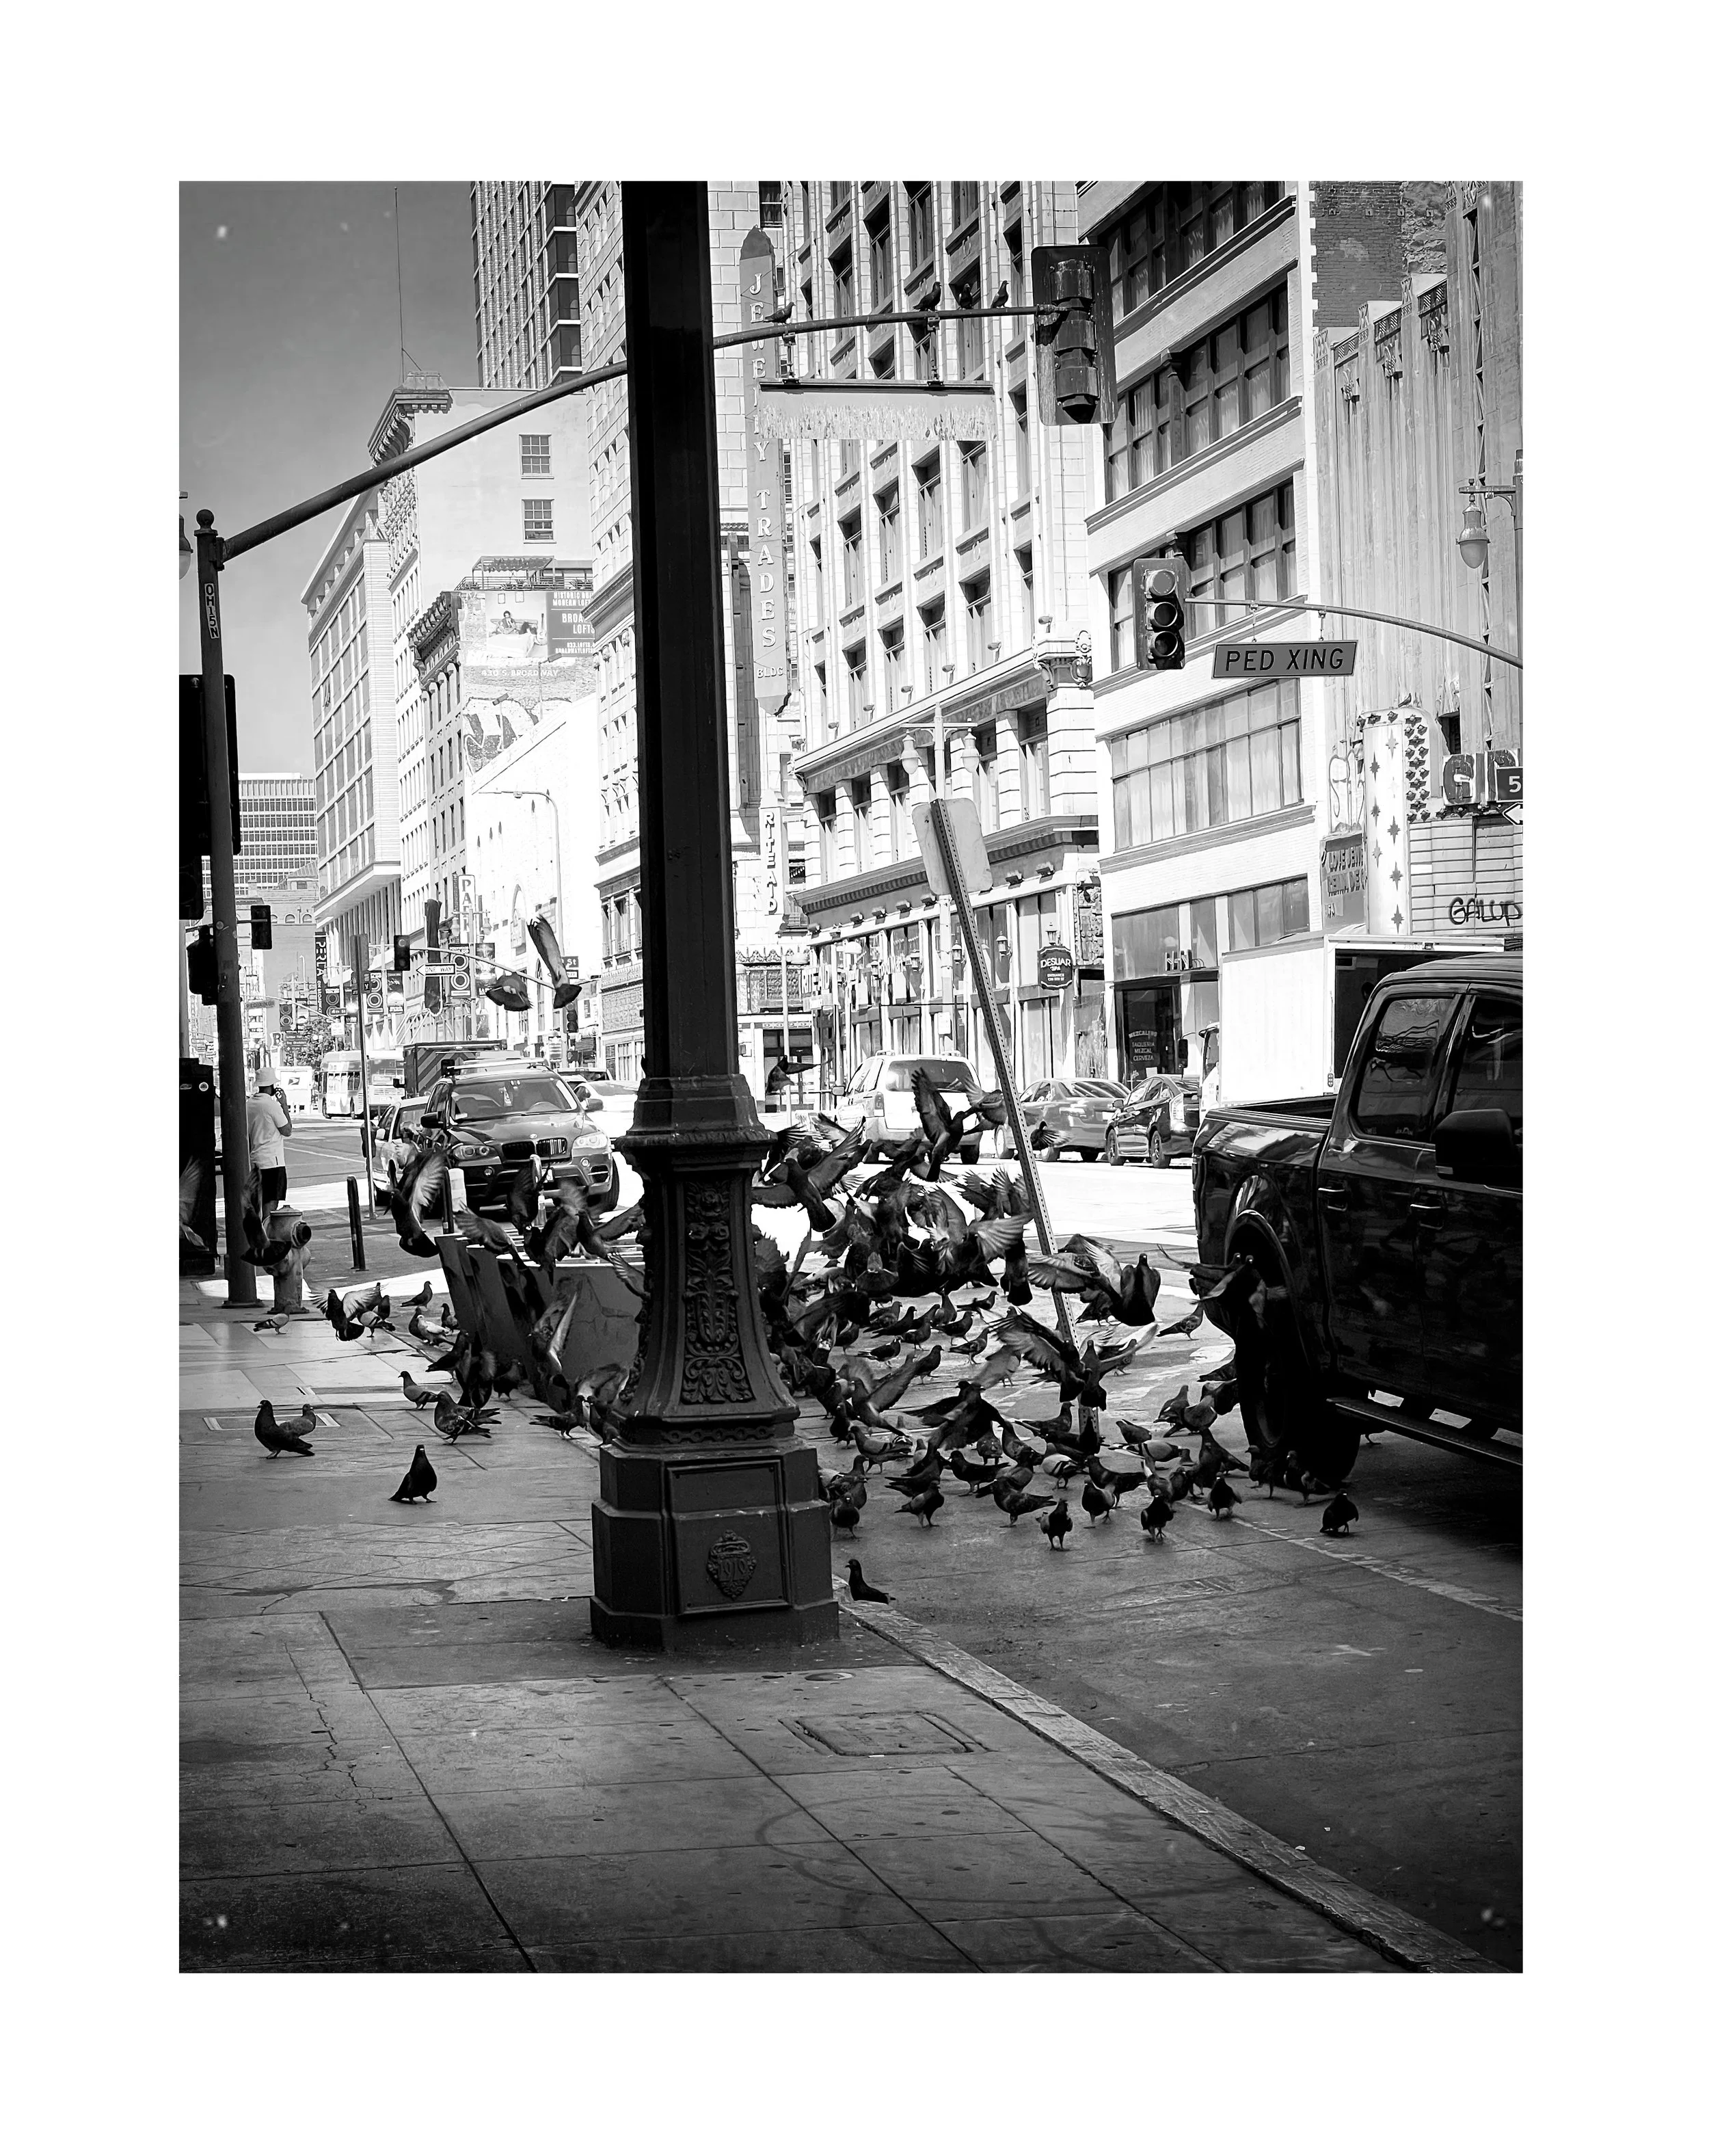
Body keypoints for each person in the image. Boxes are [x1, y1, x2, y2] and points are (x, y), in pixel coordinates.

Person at [247, 1065, 293, 1211]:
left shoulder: (249, 1104)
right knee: (271, 1204)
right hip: (272, 1163)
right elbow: (287, 1130)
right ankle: (266, 1232)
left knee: (257, 1204)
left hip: (255, 1161)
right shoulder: (271, 1105)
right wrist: (284, 1104)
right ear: (271, 1086)